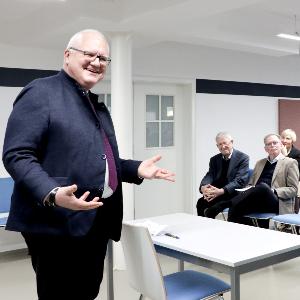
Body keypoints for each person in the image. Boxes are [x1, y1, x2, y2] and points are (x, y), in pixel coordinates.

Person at [2, 29, 175, 300]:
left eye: (104, 58)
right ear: (68, 55)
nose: (97, 62)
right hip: (57, 223)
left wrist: (135, 169)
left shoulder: (93, 103)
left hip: (95, 219)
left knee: (87, 291)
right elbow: (17, 154)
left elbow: (100, 160)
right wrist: (53, 193)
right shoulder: (41, 91)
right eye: (90, 54)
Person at [228, 134, 299, 226]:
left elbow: (293, 189)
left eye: (275, 143)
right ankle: (235, 232)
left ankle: (226, 203)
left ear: (281, 145)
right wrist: (247, 189)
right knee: (237, 207)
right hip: (257, 199)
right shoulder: (260, 163)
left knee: (263, 187)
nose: (272, 145)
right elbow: (251, 185)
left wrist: (272, 191)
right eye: (269, 144)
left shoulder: (290, 163)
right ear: (265, 148)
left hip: (277, 202)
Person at [196, 132, 249, 218]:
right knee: (200, 203)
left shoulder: (243, 158)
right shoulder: (214, 159)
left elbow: (239, 181)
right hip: (217, 192)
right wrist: (203, 187)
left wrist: (221, 191)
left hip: (232, 193)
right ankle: (203, 228)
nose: (223, 146)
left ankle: (213, 228)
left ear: (231, 142)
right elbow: (210, 175)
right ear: (217, 146)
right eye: (220, 144)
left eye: (225, 143)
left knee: (213, 209)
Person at [281, 128, 300, 213]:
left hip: (293, 182)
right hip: (280, 181)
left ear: (292, 140)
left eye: (288, 138)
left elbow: (294, 172)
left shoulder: (297, 154)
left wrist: (285, 156)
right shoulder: (277, 152)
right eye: (283, 137)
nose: (284, 140)